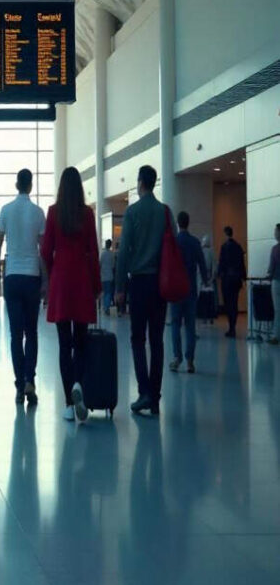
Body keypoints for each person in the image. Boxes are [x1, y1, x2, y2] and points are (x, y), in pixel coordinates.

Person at [41, 167, 101, 422]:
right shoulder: (87, 214)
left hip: (61, 283)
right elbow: (94, 252)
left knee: (64, 345)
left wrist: (52, 275)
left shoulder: (54, 213)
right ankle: (79, 384)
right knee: (82, 342)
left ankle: (68, 403)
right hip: (82, 281)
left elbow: (45, 251)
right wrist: (97, 286)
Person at [115, 165, 173, 416]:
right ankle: (155, 397)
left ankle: (144, 392)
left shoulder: (133, 212)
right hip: (160, 283)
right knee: (157, 340)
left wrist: (119, 288)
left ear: (140, 183)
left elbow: (124, 250)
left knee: (137, 339)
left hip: (139, 282)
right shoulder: (164, 212)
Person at [0, 169, 46, 405]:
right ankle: (29, 381)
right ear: (31, 186)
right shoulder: (38, 213)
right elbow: (43, 252)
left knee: (16, 334)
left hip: (12, 276)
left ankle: (18, 386)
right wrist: (47, 280)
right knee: (31, 332)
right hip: (32, 277)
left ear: (16, 185)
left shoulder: (5, 210)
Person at [169, 211, 208, 373]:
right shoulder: (195, 242)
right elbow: (202, 263)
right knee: (190, 326)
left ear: (178, 223)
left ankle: (177, 358)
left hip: (175, 289)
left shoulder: (174, 242)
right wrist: (205, 279)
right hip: (190, 289)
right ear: (188, 223)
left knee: (175, 324)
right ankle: (190, 360)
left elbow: (167, 265)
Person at [218, 225, 246, 338]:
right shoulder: (238, 247)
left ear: (225, 234)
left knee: (228, 304)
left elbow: (222, 264)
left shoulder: (224, 247)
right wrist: (243, 277)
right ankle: (233, 326)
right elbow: (241, 264)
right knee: (234, 303)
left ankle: (231, 328)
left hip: (227, 280)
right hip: (236, 280)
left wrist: (220, 274)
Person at [199, 235, 216, 324]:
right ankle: (210, 317)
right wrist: (212, 278)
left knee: (204, 299)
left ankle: (204, 317)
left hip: (203, 278)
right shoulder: (211, 251)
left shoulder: (201, 251)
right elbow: (214, 265)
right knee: (210, 299)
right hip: (208, 277)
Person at [268, 223, 280, 345]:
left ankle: (276, 336)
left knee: (277, 310)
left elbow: (271, 267)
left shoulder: (275, 249)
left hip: (277, 281)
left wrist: (269, 276)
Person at [100, 239, 115, 315]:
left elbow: (100, 264)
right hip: (109, 276)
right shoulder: (112, 254)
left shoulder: (102, 254)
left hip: (103, 276)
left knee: (104, 292)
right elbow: (113, 266)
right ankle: (107, 307)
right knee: (109, 293)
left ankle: (104, 307)